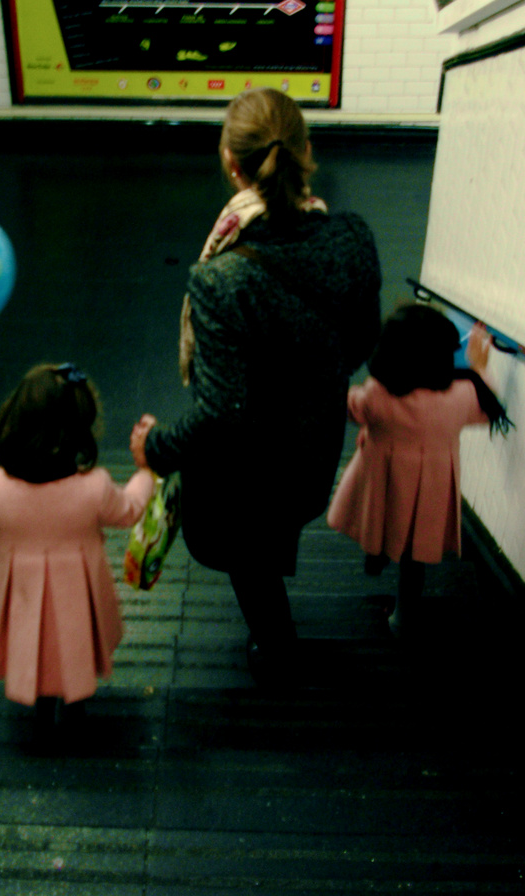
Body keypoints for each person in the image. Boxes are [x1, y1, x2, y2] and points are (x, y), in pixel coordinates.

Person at [132, 87, 382, 683]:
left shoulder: (221, 279)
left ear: (231, 163)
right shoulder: (352, 238)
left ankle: (276, 645)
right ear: (308, 152)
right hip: (312, 449)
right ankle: (273, 633)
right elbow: (361, 344)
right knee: (275, 529)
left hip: (245, 475)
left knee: (248, 550)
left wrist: (157, 446)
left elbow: (224, 413)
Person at [0, 363, 154, 738]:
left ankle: (41, 711)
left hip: (23, 597)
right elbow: (130, 508)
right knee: (76, 646)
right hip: (78, 597)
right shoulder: (94, 487)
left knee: (34, 647)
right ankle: (76, 708)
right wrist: (145, 470)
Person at [325, 304, 512, 637]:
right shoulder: (460, 396)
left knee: (378, 520)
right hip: (430, 490)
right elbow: (487, 404)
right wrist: (479, 365)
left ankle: (376, 554)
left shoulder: (376, 395)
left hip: (382, 480)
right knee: (414, 557)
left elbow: (347, 405)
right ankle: (404, 619)